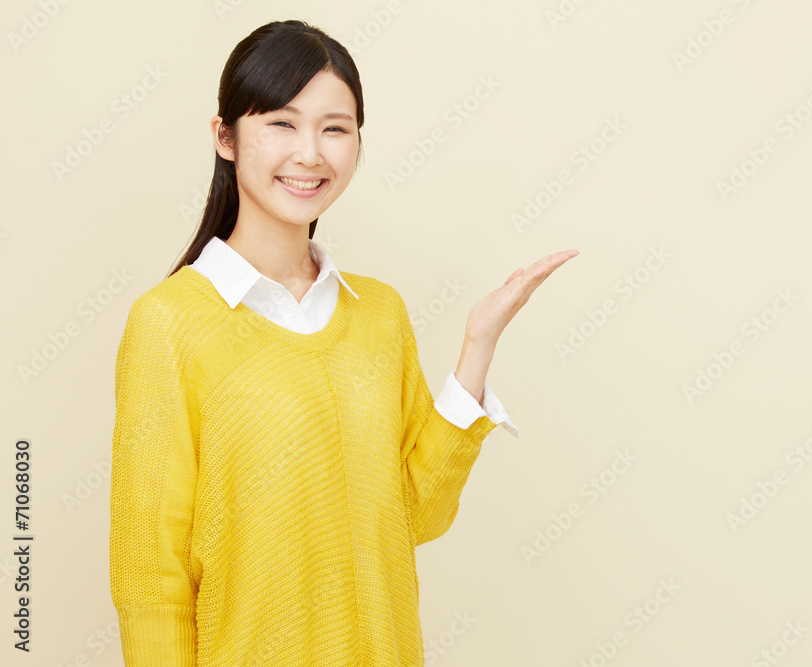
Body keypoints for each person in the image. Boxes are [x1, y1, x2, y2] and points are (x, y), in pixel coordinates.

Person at [108, 18, 578, 667]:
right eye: (282, 123)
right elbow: (150, 578)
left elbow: (414, 514)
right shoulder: (169, 323)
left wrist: (477, 346)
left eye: (335, 128)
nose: (310, 153)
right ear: (225, 137)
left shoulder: (379, 313)